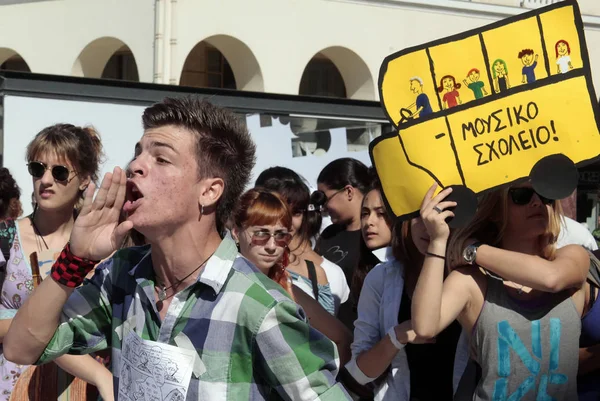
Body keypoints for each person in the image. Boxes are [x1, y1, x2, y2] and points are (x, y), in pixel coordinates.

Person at [4, 98, 350, 400]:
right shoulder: (122, 275)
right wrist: (75, 260)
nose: (136, 165)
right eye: (139, 153)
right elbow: (21, 347)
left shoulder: (257, 306)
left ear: (210, 191)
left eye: (161, 159)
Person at [412, 183, 588, 400]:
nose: (537, 202)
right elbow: (424, 327)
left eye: (545, 195)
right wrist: (438, 242)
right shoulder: (473, 280)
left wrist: (473, 250)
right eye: (522, 196)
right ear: (495, 211)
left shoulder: (573, 257)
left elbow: (551, 279)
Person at [0, 124, 113, 401]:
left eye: (59, 172)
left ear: (85, 179)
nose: (45, 180)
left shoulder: (105, 249)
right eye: (38, 169)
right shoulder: (5, 237)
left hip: (82, 391)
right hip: (14, 388)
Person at [347, 186, 464, 400]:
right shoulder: (380, 278)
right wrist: (398, 335)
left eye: (440, 214)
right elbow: (359, 372)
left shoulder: (470, 275)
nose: (430, 225)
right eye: (420, 215)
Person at [231, 188, 352, 366]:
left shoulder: (288, 288)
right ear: (236, 232)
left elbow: (343, 340)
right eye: (261, 234)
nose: (272, 246)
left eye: (281, 235)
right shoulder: (218, 281)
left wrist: (314, 384)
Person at [255, 166, 346, 315]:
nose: (287, 221)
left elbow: (332, 336)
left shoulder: (320, 274)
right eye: (279, 210)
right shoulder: (234, 267)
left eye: (296, 212)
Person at [316, 158, 375, 329]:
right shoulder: (328, 235)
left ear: (348, 192)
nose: (323, 207)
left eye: (325, 198)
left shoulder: (379, 235)